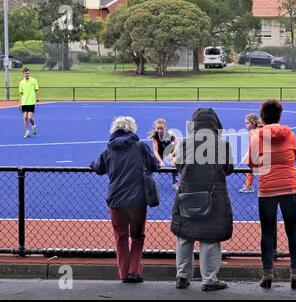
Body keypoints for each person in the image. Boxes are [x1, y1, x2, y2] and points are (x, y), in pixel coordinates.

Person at [171, 108, 234, 292]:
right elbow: (228, 169)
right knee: (211, 239)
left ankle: (182, 276)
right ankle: (209, 279)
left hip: (187, 194)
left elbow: (179, 165)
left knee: (184, 236)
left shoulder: (185, 143)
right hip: (214, 197)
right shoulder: (223, 144)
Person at [90, 116, 158, 283]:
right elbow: (154, 165)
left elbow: (98, 167)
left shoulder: (108, 150)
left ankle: (124, 273)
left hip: (116, 200)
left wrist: (92, 164)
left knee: (121, 237)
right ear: (132, 130)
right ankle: (134, 271)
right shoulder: (140, 147)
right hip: (137, 199)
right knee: (137, 236)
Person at [248, 99, 296, 290]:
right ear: (280, 115)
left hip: (267, 188)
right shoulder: (291, 135)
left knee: (267, 231)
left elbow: (252, 164)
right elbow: (294, 157)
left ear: (262, 116)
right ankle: (295, 273)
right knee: (292, 230)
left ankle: (267, 274)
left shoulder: (256, 137)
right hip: (289, 187)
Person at [150, 118, 179, 190]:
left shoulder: (170, 134)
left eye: (161, 128)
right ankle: (150, 181)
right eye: (158, 128)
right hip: (160, 152)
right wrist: (160, 161)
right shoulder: (155, 136)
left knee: (174, 162)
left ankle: (175, 182)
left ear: (165, 127)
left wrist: (172, 154)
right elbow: (155, 151)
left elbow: (178, 144)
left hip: (169, 151)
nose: (159, 130)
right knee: (152, 162)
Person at [240, 113, 260, 193]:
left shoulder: (255, 132)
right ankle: (249, 185)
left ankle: (249, 186)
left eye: (247, 123)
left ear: (253, 122)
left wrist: (248, 155)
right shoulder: (253, 131)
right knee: (250, 168)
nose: (246, 125)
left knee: (250, 168)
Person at [19, 67, 40, 138]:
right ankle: (27, 132)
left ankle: (34, 126)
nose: (27, 74)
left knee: (30, 117)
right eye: (26, 73)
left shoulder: (34, 80)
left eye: (28, 73)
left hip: (31, 102)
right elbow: (21, 94)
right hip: (24, 102)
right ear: (23, 74)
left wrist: (37, 101)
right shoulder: (21, 82)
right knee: (25, 117)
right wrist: (19, 103)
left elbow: (36, 91)